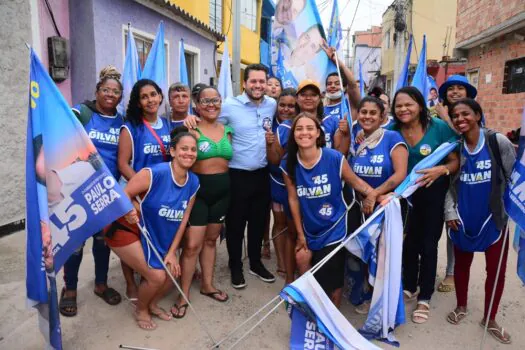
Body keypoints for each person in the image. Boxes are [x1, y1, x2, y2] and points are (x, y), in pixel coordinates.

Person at [185, 64, 276, 289]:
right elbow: (208, 114)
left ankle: (255, 263)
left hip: (261, 174)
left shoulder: (271, 105)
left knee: (257, 222)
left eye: (261, 81)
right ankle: (235, 266)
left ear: (267, 83)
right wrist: (189, 119)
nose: (257, 85)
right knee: (235, 224)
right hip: (236, 175)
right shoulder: (229, 106)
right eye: (253, 81)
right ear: (244, 83)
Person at [282, 112, 379, 307]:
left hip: (336, 223)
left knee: (331, 273)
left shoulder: (334, 158)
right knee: (302, 257)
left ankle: (332, 314)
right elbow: (293, 199)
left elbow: (358, 184)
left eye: (310, 128)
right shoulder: (288, 162)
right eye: (299, 129)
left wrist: (377, 195)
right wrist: (300, 234)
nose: (304, 133)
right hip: (311, 225)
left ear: (318, 133)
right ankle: (312, 304)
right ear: (293, 135)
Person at [112, 127, 199, 330]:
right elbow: (123, 195)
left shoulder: (194, 182)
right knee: (157, 276)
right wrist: (130, 209)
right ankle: (141, 310)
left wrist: (172, 253)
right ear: (173, 151)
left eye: (193, 149)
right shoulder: (154, 173)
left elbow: (183, 218)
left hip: (154, 231)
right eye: (184, 148)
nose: (189, 153)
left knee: (172, 273)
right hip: (127, 228)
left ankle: (151, 303)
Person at [444, 99, 515, 344]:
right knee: (461, 267)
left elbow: (513, 178)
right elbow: (450, 187)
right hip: (463, 219)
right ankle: (461, 306)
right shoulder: (454, 149)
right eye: (455, 115)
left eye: (465, 114)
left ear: (477, 114)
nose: (460, 119)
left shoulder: (497, 142)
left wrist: (511, 210)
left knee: (495, 272)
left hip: (493, 220)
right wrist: (450, 212)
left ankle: (490, 318)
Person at [59, 66, 124, 317]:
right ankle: (70, 289)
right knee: (75, 243)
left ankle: (101, 284)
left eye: (116, 91)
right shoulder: (82, 112)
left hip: (106, 192)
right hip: (78, 189)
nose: (110, 94)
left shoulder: (121, 122)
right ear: (97, 91)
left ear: (120, 96)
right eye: (106, 90)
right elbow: (60, 123)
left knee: (102, 242)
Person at [390, 86, 460, 324]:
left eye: (408, 104)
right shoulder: (391, 130)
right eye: (398, 105)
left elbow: (455, 160)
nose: (403, 109)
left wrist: (442, 169)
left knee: (428, 244)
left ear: (420, 105)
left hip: (432, 192)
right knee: (407, 241)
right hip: (403, 196)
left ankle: (425, 296)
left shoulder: (439, 128)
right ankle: (409, 285)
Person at [172, 86, 232, 318]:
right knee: (192, 246)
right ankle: (183, 294)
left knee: (211, 241)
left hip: (223, 195)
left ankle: (207, 285)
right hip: (198, 195)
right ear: (196, 105)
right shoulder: (191, 128)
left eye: (215, 100)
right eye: (205, 101)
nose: (211, 104)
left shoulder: (228, 130)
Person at [347, 96, 408, 313]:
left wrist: (374, 194)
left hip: (383, 207)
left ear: (382, 117)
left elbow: (401, 174)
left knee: (382, 256)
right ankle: (360, 293)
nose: (367, 116)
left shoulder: (392, 138)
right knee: (358, 253)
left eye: (373, 113)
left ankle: (380, 299)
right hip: (357, 206)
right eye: (363, 112)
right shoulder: (356, 137)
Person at [112, 79, 171, 303]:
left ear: (160, 96)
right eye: (144, 97)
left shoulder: (167, 125)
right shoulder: (130, 127)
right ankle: (130, 283)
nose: (149, 100)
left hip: (158, 194)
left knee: (154, 235)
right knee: (131, 236)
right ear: (138, 102)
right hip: (135, 191)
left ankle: (151, 275)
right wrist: (142, 186)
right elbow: (123, 163)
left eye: (153, 95)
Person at [435, 75, 478, 292]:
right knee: (431, 226)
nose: (454, 92)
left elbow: (464, 137)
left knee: (454, 224)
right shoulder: (435, 114)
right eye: (450, 88)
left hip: (461, 178)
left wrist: (446, 117)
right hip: (435, 175)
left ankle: (452, 272)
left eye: (460, 88)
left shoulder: (471, 115)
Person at [266, 88, 298, 283]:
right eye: (282, 105)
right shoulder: (273, 123)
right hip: (277, 180)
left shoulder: (302, 124)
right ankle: (281, 263)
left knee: (293, 225)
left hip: (297, 183)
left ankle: (293, 261)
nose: (286, 109)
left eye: (291, 105)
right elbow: (275, 160)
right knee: (279, 223)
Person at [296, 79, 350, 154]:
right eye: (303, 95)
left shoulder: (333, 121)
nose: (308, 98)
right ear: (297, 99)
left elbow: (340, 154)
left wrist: (346, 135)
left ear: (319, 98)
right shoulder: (288, 125)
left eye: (313, 95)